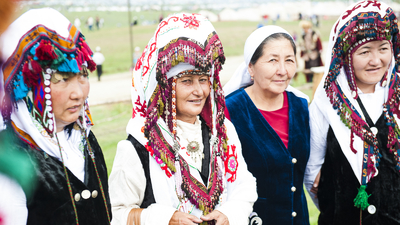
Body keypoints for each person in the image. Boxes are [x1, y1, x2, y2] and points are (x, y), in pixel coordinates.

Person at [109, 13, 257, 225]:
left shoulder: (223, 132)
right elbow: (117, 214)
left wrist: (230, 214)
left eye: (204, 80)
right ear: (166, 87)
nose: (199, 91)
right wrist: (164, 219)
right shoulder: (140, 145)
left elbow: (244, 185)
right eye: (187, 81)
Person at [0, 8, 111, 224]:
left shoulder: (86, 141)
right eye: (62, 78)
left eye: (82, 76)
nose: (78, 93)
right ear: (31, 86)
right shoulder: (13, 160)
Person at [304, 1, 400, 224]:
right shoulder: (325, 102)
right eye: (365, 51)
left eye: (383, 48)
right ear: (345, 55)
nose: (376, 61)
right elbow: (312, 176)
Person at [223, 25, 310, 225]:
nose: (282, 70)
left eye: (289, 60)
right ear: (250, 67)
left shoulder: (301, 106)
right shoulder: (231, 111)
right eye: (272, 60)